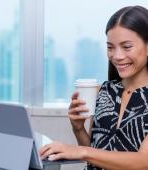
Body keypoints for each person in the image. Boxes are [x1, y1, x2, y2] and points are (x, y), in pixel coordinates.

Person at [39, 5, 148, 170]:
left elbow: (143, 162)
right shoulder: (105, 91)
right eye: (110, 47)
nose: (117, 56)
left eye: (127, 47)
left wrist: (80, 151)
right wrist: (78, 128)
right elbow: (96, 153)